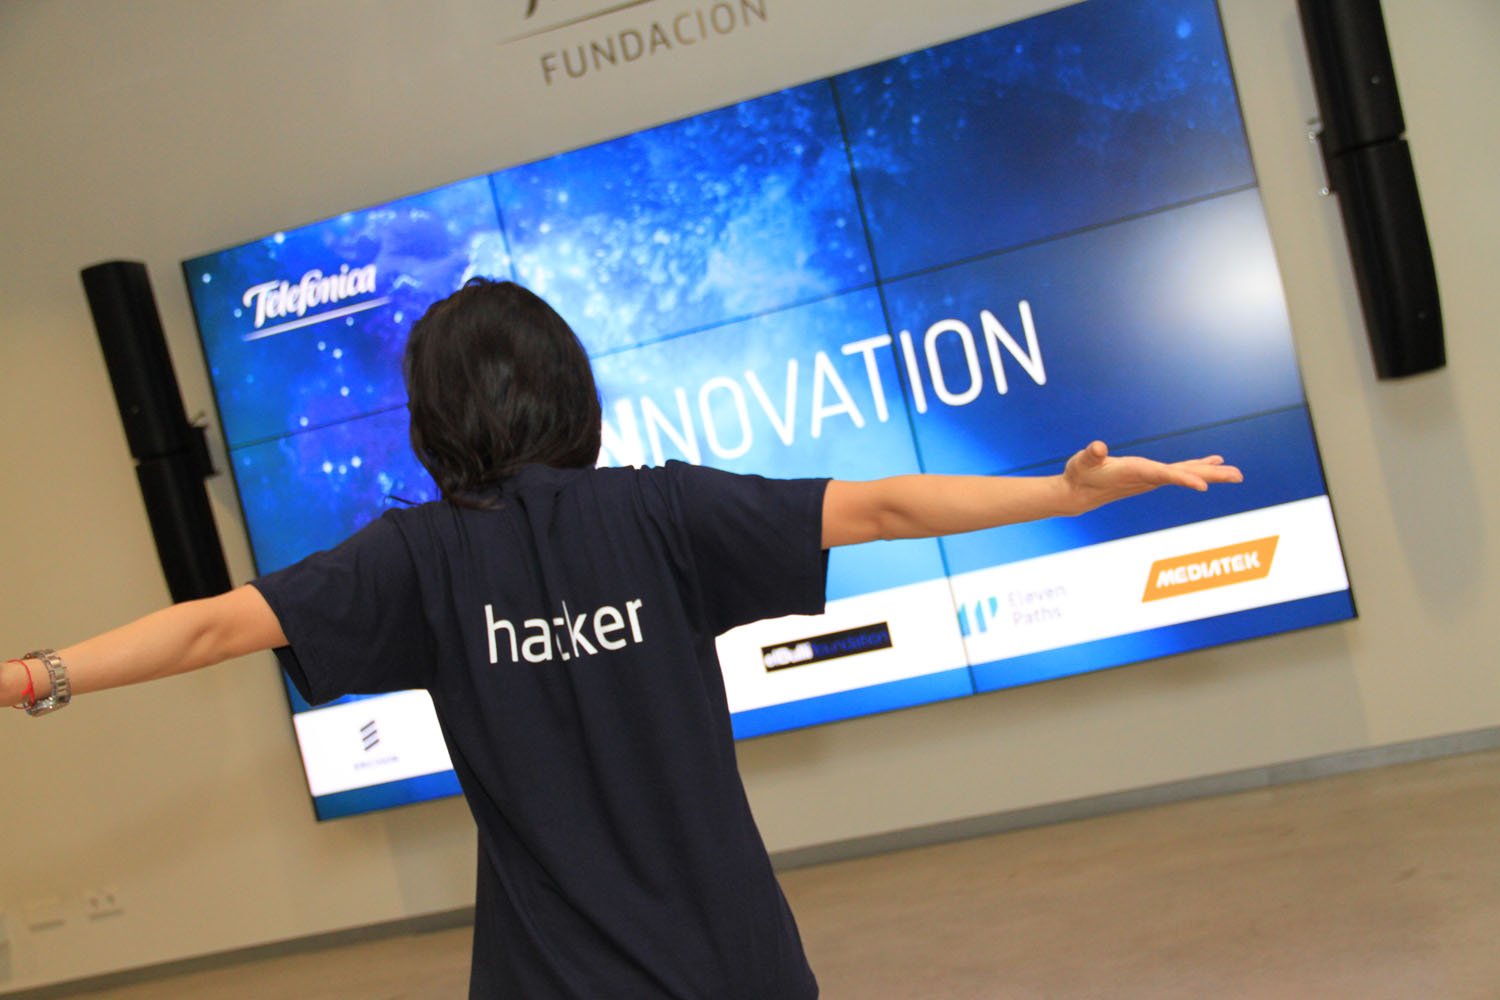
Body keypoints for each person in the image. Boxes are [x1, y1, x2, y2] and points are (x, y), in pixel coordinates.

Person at [4, 279, 1242, 998]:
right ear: (570, 389)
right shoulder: (659, 510)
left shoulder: (417, 558)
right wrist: (1064, 493)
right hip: (736, 964)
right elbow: (882, 506)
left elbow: (211, 627)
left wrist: (34, 674)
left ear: (433, 420)